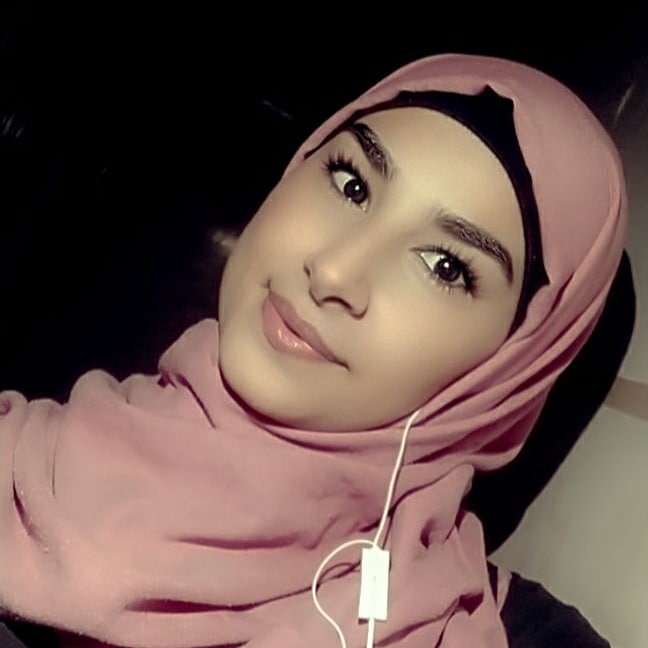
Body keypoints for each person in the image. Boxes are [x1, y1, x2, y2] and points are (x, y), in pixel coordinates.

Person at [0, 54, 627, 648]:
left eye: (445, 266)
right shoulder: (19, 460)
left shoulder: (521, 635)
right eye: (351, 184)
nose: (333, 271)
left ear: (509, 369)